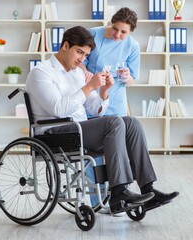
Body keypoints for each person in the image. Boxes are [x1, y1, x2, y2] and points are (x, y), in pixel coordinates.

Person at [25, 26, 179, 215]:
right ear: (65, 46)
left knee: (131, 123)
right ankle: (119, 192)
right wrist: (89, 86)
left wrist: (104, 92)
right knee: (113, 122)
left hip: (78, 130)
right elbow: (59, 109)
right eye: (79, 52)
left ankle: (148, 190)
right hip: (54, 133)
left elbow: (94, 109)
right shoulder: (41, 73)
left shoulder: (76, 74)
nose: (82, 59)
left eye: (86, 54)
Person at [81, 7, 140, 213]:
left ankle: (119, 196)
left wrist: (125, 77)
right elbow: (79, 64)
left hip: (116, 105)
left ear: (130, 32)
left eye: (123, 32)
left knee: (116, 153)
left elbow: (132, 79)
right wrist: (90, 76)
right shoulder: (93, 35)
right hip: (93, 102)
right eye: (115, 29)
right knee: (94, 155)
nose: (117, 35)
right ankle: (97, 202)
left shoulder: (132, 46)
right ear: (110, 23)